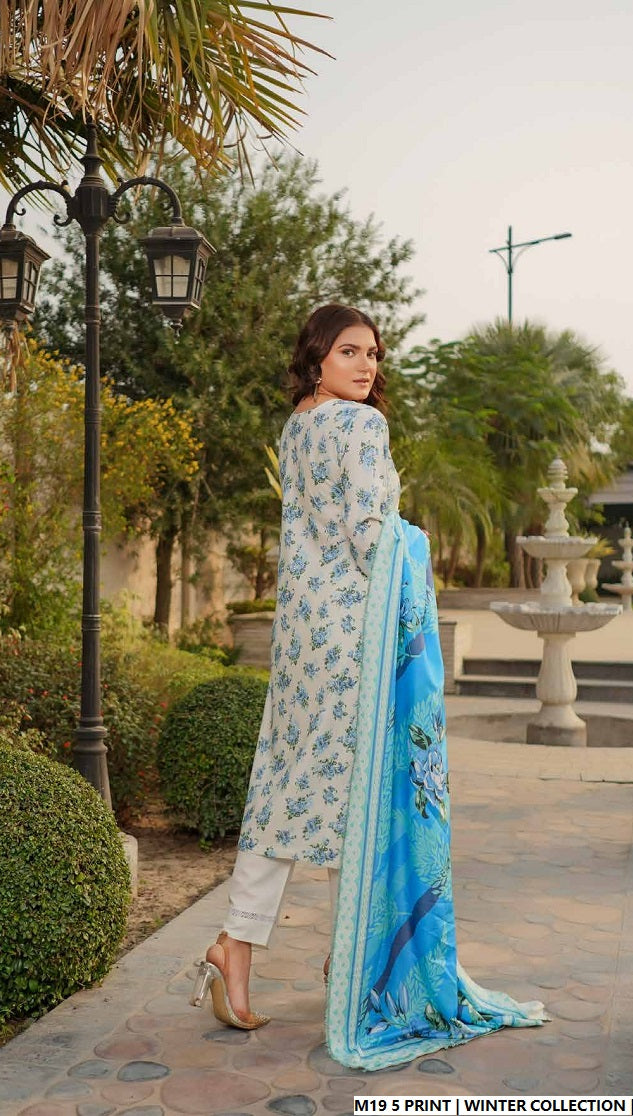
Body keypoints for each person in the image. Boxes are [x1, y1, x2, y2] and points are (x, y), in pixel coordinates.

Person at [192, 303, 547, 1069]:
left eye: (374, 354)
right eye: (349, 351)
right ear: (317, 356)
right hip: (356, 633)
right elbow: (368, 535)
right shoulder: (361, 426)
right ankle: (349, 964)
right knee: (359, 794)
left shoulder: (297, 427)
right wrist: (412, 542)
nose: (365, 365)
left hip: (300, 637)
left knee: (291, 786)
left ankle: (240, 946)